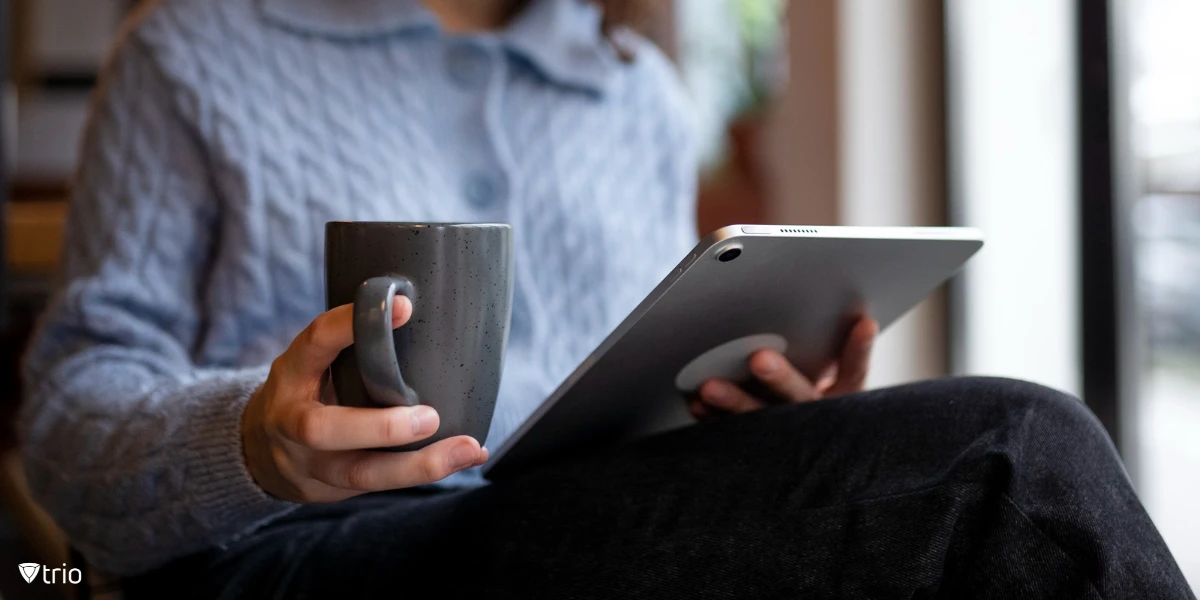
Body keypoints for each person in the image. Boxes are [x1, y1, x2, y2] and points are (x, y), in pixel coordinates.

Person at [18, 0, 1193, 597]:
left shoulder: (634, 95)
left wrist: (754, 408)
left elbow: (626, 388)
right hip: (297, 559)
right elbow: (69, 422)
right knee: (1005, 459)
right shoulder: (195, 51)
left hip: (561, 533)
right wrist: (255, 445)